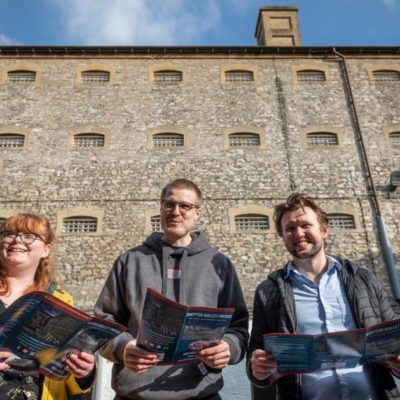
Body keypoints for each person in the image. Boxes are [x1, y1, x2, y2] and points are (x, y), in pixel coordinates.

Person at [94, 178, 249, 400]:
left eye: (185, 206)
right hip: (134, 394)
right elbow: (103, 324)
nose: (175, 211)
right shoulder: (130, 261)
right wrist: (123, 347)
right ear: (161, 208)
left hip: (201, 393)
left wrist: (229, 347)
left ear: (198, 213)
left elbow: (239, 328)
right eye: (169, 204)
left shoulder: (219, 264)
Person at [247, 193, 400, 400]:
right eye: (290, 229)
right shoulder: (268, 291)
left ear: (324, 231)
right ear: (283, 237)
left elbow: (392, 335)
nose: (298, 233)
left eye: (305, 225)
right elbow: (256, 352)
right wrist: (256, 367)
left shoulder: (362, 279)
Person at [0, 213, 96, 400]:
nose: (17, 240)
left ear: (46, 249)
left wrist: (84, 371)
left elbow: (69, 373)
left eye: (29, 235)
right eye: (9, 234)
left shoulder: (60, 300)